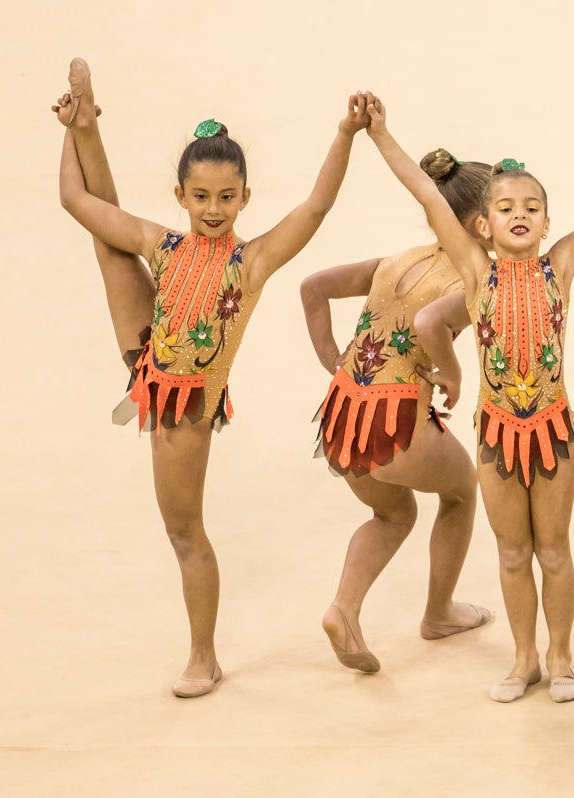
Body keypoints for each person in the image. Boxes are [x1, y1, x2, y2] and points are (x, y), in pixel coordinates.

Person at [55, 57, 371, 696]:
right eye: (200, 197)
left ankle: (204, 657)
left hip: (187, 408)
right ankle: (88, 122)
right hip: (148, 357)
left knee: (184, 531)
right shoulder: (164, 243)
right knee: (107, 241)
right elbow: (75, 201)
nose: (214, 208)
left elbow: (315, 208)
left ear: (246, 197)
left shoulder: (251, 263)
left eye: (227, 197)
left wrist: (345, 134)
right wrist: (69, 132)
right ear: (180, 196)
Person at [366, 93, 574, 702]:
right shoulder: (476, 272)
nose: (520, 215)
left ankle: (561, 657)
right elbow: (428, 195)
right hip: (496, 433)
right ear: (483, 225)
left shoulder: (560, 266)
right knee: (513, 552)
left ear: (546, 221)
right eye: (506, 208)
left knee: (554, 550)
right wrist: (381, 134)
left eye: (532, 207)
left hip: (551, 430)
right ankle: (524, 661)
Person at [300, 149, 494, 674]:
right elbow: (431, 322)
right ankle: (439, 612)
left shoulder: (398, 259)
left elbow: (313, 288)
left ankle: (343, 609)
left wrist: (334, 362)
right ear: (483, 222)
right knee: (462, 490)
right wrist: (452, 372)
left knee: (392, 514)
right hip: (394, 420)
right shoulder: (476, 279)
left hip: (341, 414)